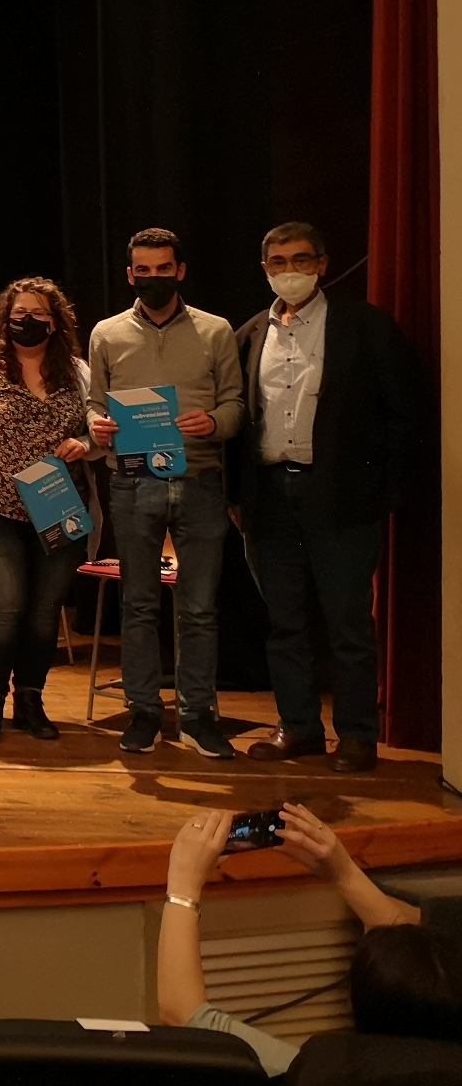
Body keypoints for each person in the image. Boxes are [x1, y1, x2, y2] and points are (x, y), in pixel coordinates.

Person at [233, 223, 420, 775]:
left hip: (338, 495)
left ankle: (358, 736)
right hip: (267, 497)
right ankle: (300, 731)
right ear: (264, 268)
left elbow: (402, 415)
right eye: (276, 261)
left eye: (299, 259)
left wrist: (378, 490)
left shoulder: (364, 327)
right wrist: (237, 496)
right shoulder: (248, 335)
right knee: (285, 623)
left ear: (321, 263)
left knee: (347, 622)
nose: (288, 270)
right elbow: (241, 422)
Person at [87, 227, 245, 760]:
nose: (153, 278)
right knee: (137, 606)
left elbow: (237, 406)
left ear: (180, 270)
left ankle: (199, 716)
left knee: (199, 609)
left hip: (200, 481)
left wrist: (215, 422)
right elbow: (92, 407)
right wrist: (98, 427)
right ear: (130, 274)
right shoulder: (106, 333)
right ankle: (144, 712)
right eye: (143, 271)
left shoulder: (216, 330)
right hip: (132, 483)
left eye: (163, 269)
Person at [160, 804, 435, 1076]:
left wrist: (183, 885)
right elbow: (415, 952)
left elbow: (186, 1017)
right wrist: (343, 873)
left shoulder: (325, 1073)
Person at [0, 278, 98, 743]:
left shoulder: (79, 372)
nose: (27, 322)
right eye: (19, 314)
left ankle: (31, 699)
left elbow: (99, 433)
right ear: (5, 319)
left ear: (57, 322)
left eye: (38, 315)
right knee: (2, 609)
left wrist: (86, 443)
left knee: (45, 612)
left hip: (59, 509)